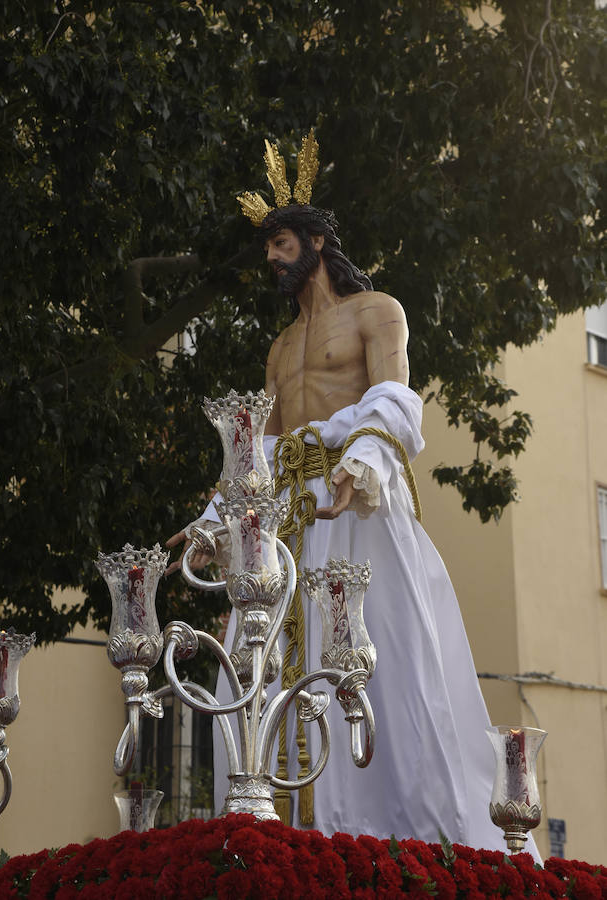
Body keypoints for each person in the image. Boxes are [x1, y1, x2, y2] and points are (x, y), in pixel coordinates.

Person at [167, 139, 541, 858]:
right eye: (267, 249)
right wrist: (217, 521)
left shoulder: (377, 312)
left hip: (358, 506)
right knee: (259, 664)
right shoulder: (279, 349)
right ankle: (276, 837)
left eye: (280, 244)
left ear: (314, 241)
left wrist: (361, 466)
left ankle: (400, 839)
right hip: (287, 523)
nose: (272, 260)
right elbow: (258, 451)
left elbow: (395, 400)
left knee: (385, 662)